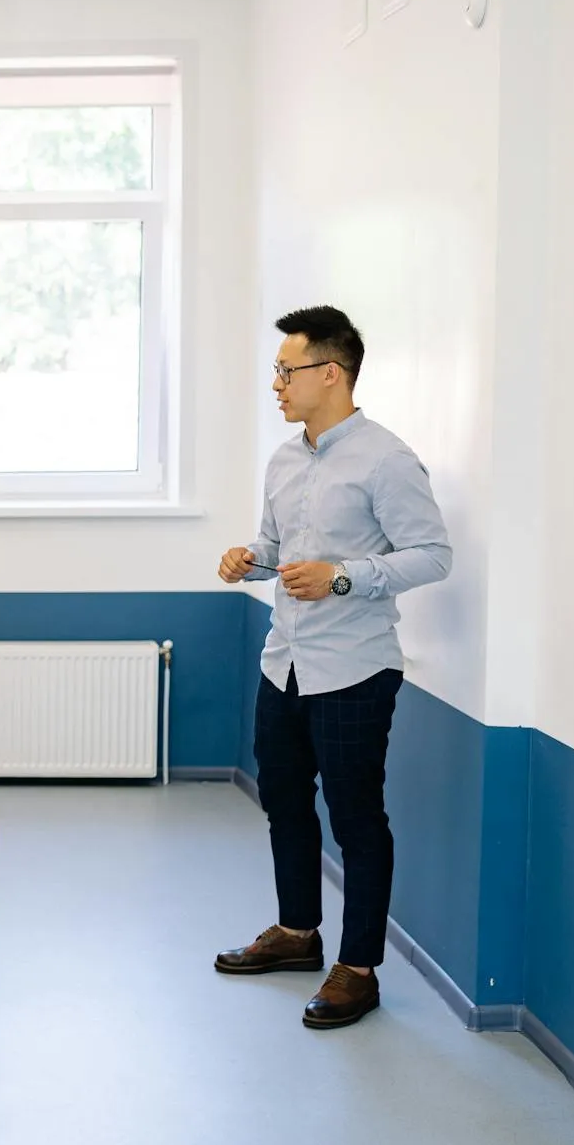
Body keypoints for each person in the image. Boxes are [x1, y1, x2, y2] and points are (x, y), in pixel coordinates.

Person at [216, 305, 452, 1028]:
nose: (276, 385)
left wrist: (342, 576)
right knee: (283, 801)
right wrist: (246, 561)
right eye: (275, 373)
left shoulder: (387, 458)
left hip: (354, 667)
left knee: (355, 817)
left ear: (330, 372)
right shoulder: (284, 460)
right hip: (283, 661)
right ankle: (296, 932)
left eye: (286, 371)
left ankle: (358, 968)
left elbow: (433, 554)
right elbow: (274, 548)